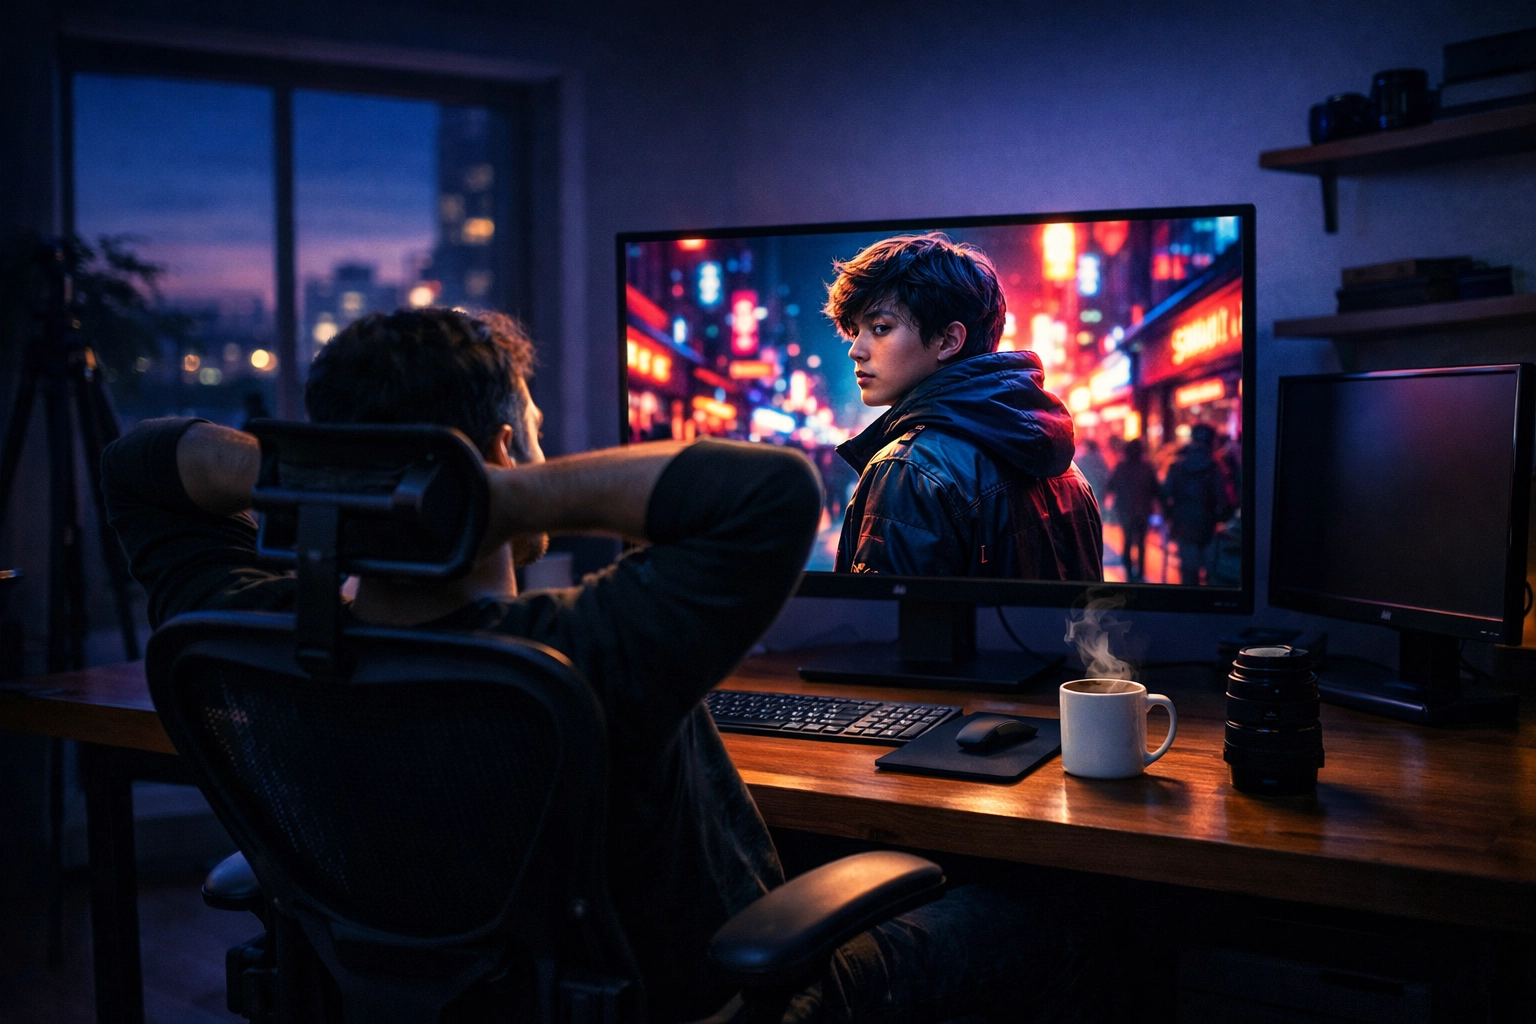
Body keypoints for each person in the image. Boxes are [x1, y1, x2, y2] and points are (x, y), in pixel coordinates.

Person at [101, 307, 1095, 1023]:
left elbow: (137, 466)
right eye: (527, 446)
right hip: (705, 1003)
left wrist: (333, 486)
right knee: (1056, 912)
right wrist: (481, 494)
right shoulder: (580, 644)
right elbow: (768, 494)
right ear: (499, 454)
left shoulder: (244, 629)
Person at [827, 233, 1103, 580]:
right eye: (855, 332)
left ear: (948, 340)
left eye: (880, 328)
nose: (857, 350)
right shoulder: (1068, 471)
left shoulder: (911, 470)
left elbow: (885, 626)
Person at [1160, 423, 1229, 586]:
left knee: (1189, 575)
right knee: (1211, 575)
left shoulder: (1176, 466)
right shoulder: (1214, 467)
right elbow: (1223, 499)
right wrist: (1220, 518)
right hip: (1207, 526)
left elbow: (1164, 495)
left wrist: (1171, 516)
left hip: (1183, 526)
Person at [1102, 438, 1159, 582]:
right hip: (1143, 511)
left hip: (1125, 511)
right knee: (1141, 542)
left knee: (1127, 540)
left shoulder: (1121, 467)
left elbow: (1110, 486)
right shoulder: (1147, 468)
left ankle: (1128, 571)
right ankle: (1140, 572)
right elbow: (1156, 490)